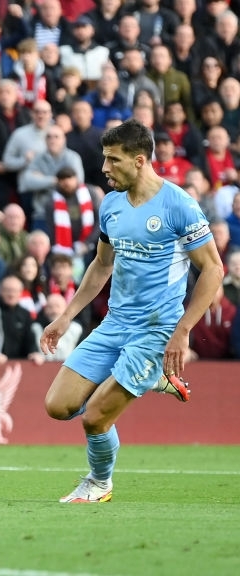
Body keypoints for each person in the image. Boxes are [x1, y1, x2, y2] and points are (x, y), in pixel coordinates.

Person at [40, 120, 223, 503]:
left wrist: (184, 329)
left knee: (95, 418)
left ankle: (99, 483)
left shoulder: (179, 205)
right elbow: (101, 265)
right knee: (58, 406)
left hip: (157, 330)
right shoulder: (112, 204)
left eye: (112, 160)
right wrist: (67, 315)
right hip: (115, 323)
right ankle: (156, 379)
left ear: (140, 161)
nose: (104, 168)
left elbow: (214, 269)